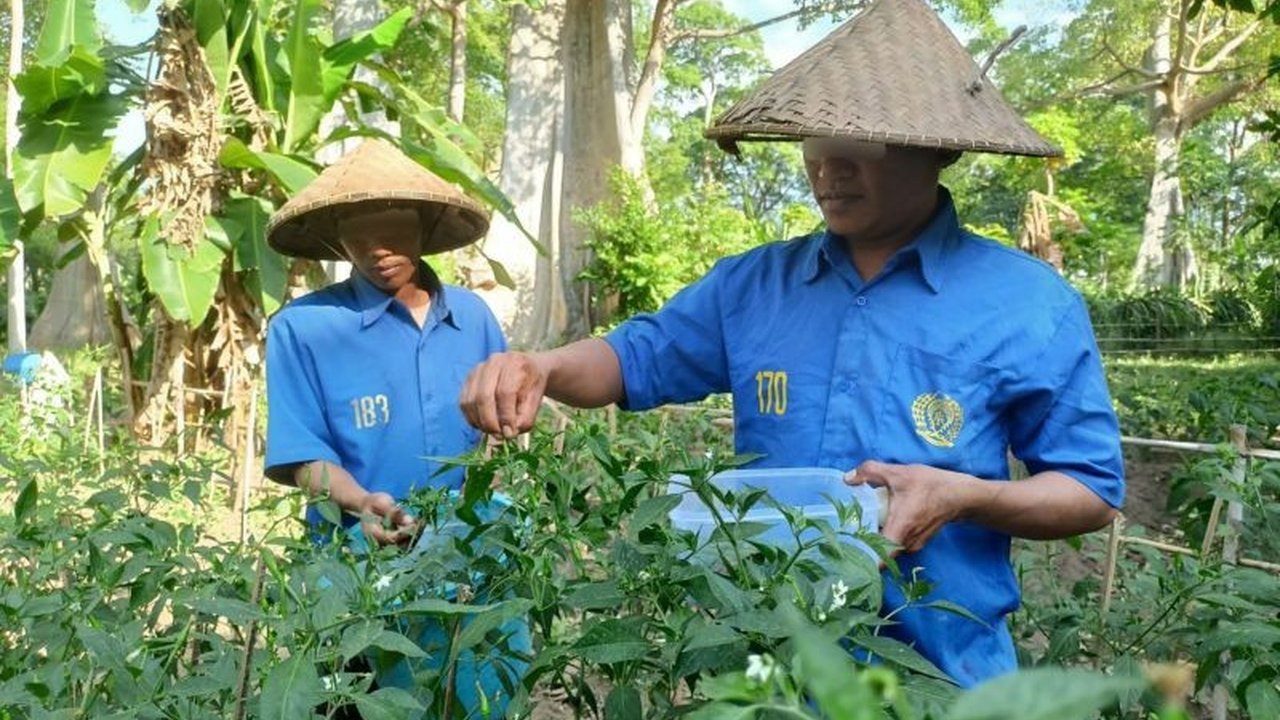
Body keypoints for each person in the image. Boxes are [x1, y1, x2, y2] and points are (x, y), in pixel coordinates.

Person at [460, 0, 1123, 689]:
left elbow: (1089, 490)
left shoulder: (1029, 303)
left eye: (859, 145)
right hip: (768, 678)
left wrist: (964, 496)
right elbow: (633, 358)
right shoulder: (752, 287)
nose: (827, 169)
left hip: (943, 677)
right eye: (812, 142)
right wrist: (540, 366)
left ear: (938, 147)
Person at [263, 138, 527, 714]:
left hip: (473, 553)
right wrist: (362, 503)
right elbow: (297, 453)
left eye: (395, 230)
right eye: (357, 233)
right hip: (360, 560)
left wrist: (500, 479)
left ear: (427, 225)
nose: (377, 249)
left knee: (487, 696)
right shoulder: (303, 328)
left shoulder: (475, 318)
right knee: (377, 702)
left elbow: (503, 436)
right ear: (336, 238)